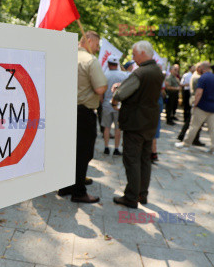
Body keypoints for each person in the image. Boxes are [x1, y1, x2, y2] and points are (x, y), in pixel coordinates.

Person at [110, 41, 164, 209]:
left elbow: (121, 94)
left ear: (142, 53)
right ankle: (142, 194)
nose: (132, 58)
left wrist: (116, 90)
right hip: (149, 122)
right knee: (145, 159)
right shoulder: (157, 71)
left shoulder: (140, 72)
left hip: (135, 123)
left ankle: (131, 196)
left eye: (134, 54)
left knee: (132, 160)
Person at [58, 30, 107, 204]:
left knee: (67, 151)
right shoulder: (90, 60)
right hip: (83, 113)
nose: (97, 48)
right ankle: (79, 191)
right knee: (83, 152)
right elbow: (100, 88)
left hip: (64, 111)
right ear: (89, 40)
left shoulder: (64, 57)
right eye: (96, 44)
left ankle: (65, 186)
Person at [175, 62, 214, 154]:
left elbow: (199, 93)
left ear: (202, 68)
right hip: (213, 107)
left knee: (194, 126)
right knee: (213, 129)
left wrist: (194, 105)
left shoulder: (202, 78)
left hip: (202, 106)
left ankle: (186, 144)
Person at [101, 56, 126, 156]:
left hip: (106, 104)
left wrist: (102, 101)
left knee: (106, 127)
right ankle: (116, 148)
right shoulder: (123, 75)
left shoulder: (104, 75)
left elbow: (101, 90)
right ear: (117, 64)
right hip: (118, 105)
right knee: (117, 128)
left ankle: (106, 147)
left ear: (108, 64)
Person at [177, 63, 204, 146]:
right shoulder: (197, 77)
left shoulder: (195, 76)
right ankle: (192, 138)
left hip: (194, 99)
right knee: (195, 120)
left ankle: (183, 135)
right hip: (196, 99)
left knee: (191, 119)